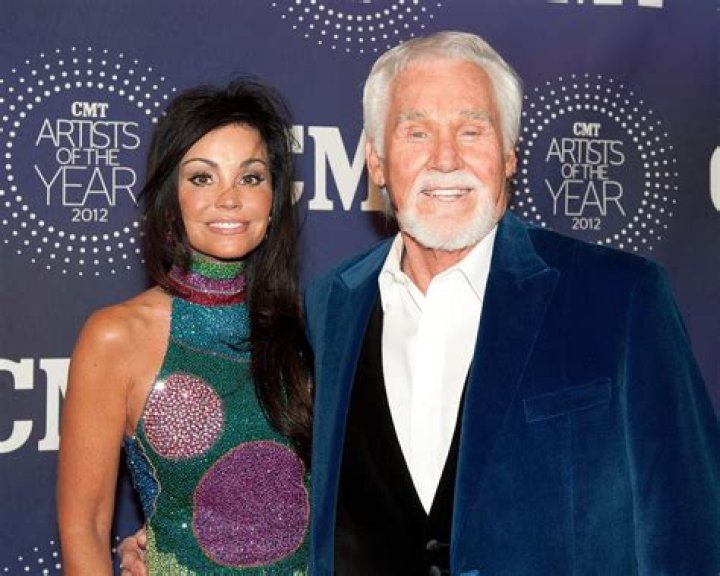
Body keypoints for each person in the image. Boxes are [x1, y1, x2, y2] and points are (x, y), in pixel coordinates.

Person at [120, 31, 720, 575]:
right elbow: (286, 476)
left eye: (472, 131)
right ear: (377, 163)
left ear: (510, 155)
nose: (446, 159)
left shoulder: (619, 297)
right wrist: (176, 536)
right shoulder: (328, 308)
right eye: (416, 132)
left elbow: (690, 530)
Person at [57, 79, 313, 575]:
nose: (229, 199)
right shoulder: (116, 336)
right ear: (170, 198)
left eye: (250, 177)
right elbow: (83, 527)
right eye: (202, 178)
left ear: (274, 199)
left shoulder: (313, 329)